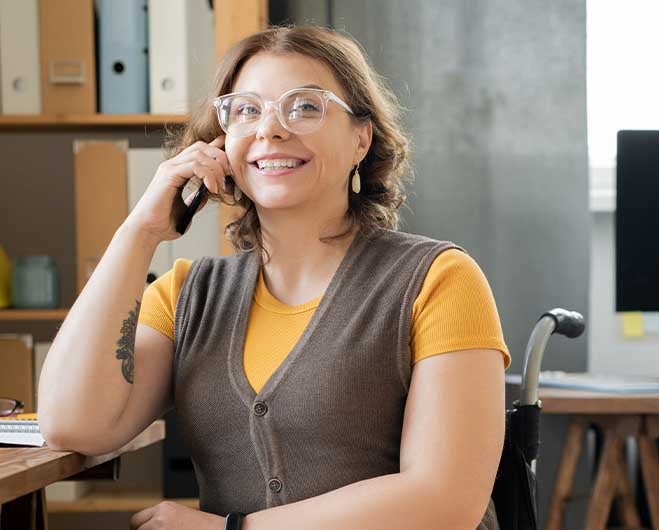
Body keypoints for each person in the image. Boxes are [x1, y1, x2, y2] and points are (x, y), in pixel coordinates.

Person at [37, 26, 510, 530]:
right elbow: (73, 425)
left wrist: (231, 529)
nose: (270, 129)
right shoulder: (184, 295)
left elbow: (444, 501)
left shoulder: (439, 279)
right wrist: (140, 231)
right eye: (246, 109)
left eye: (305, 106)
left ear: (361, 138)